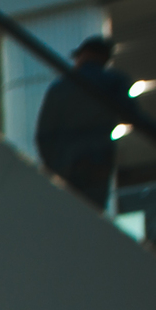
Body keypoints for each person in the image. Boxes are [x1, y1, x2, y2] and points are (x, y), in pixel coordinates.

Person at [34, 36, 133, 207]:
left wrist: (54, 166)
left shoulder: (59, 88)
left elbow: (43, 134)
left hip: (66, 165)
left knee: (67, 210)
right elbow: (133, 115)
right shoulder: (114, 81)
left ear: (84, 55)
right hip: (98, 162)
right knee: (93, 210)